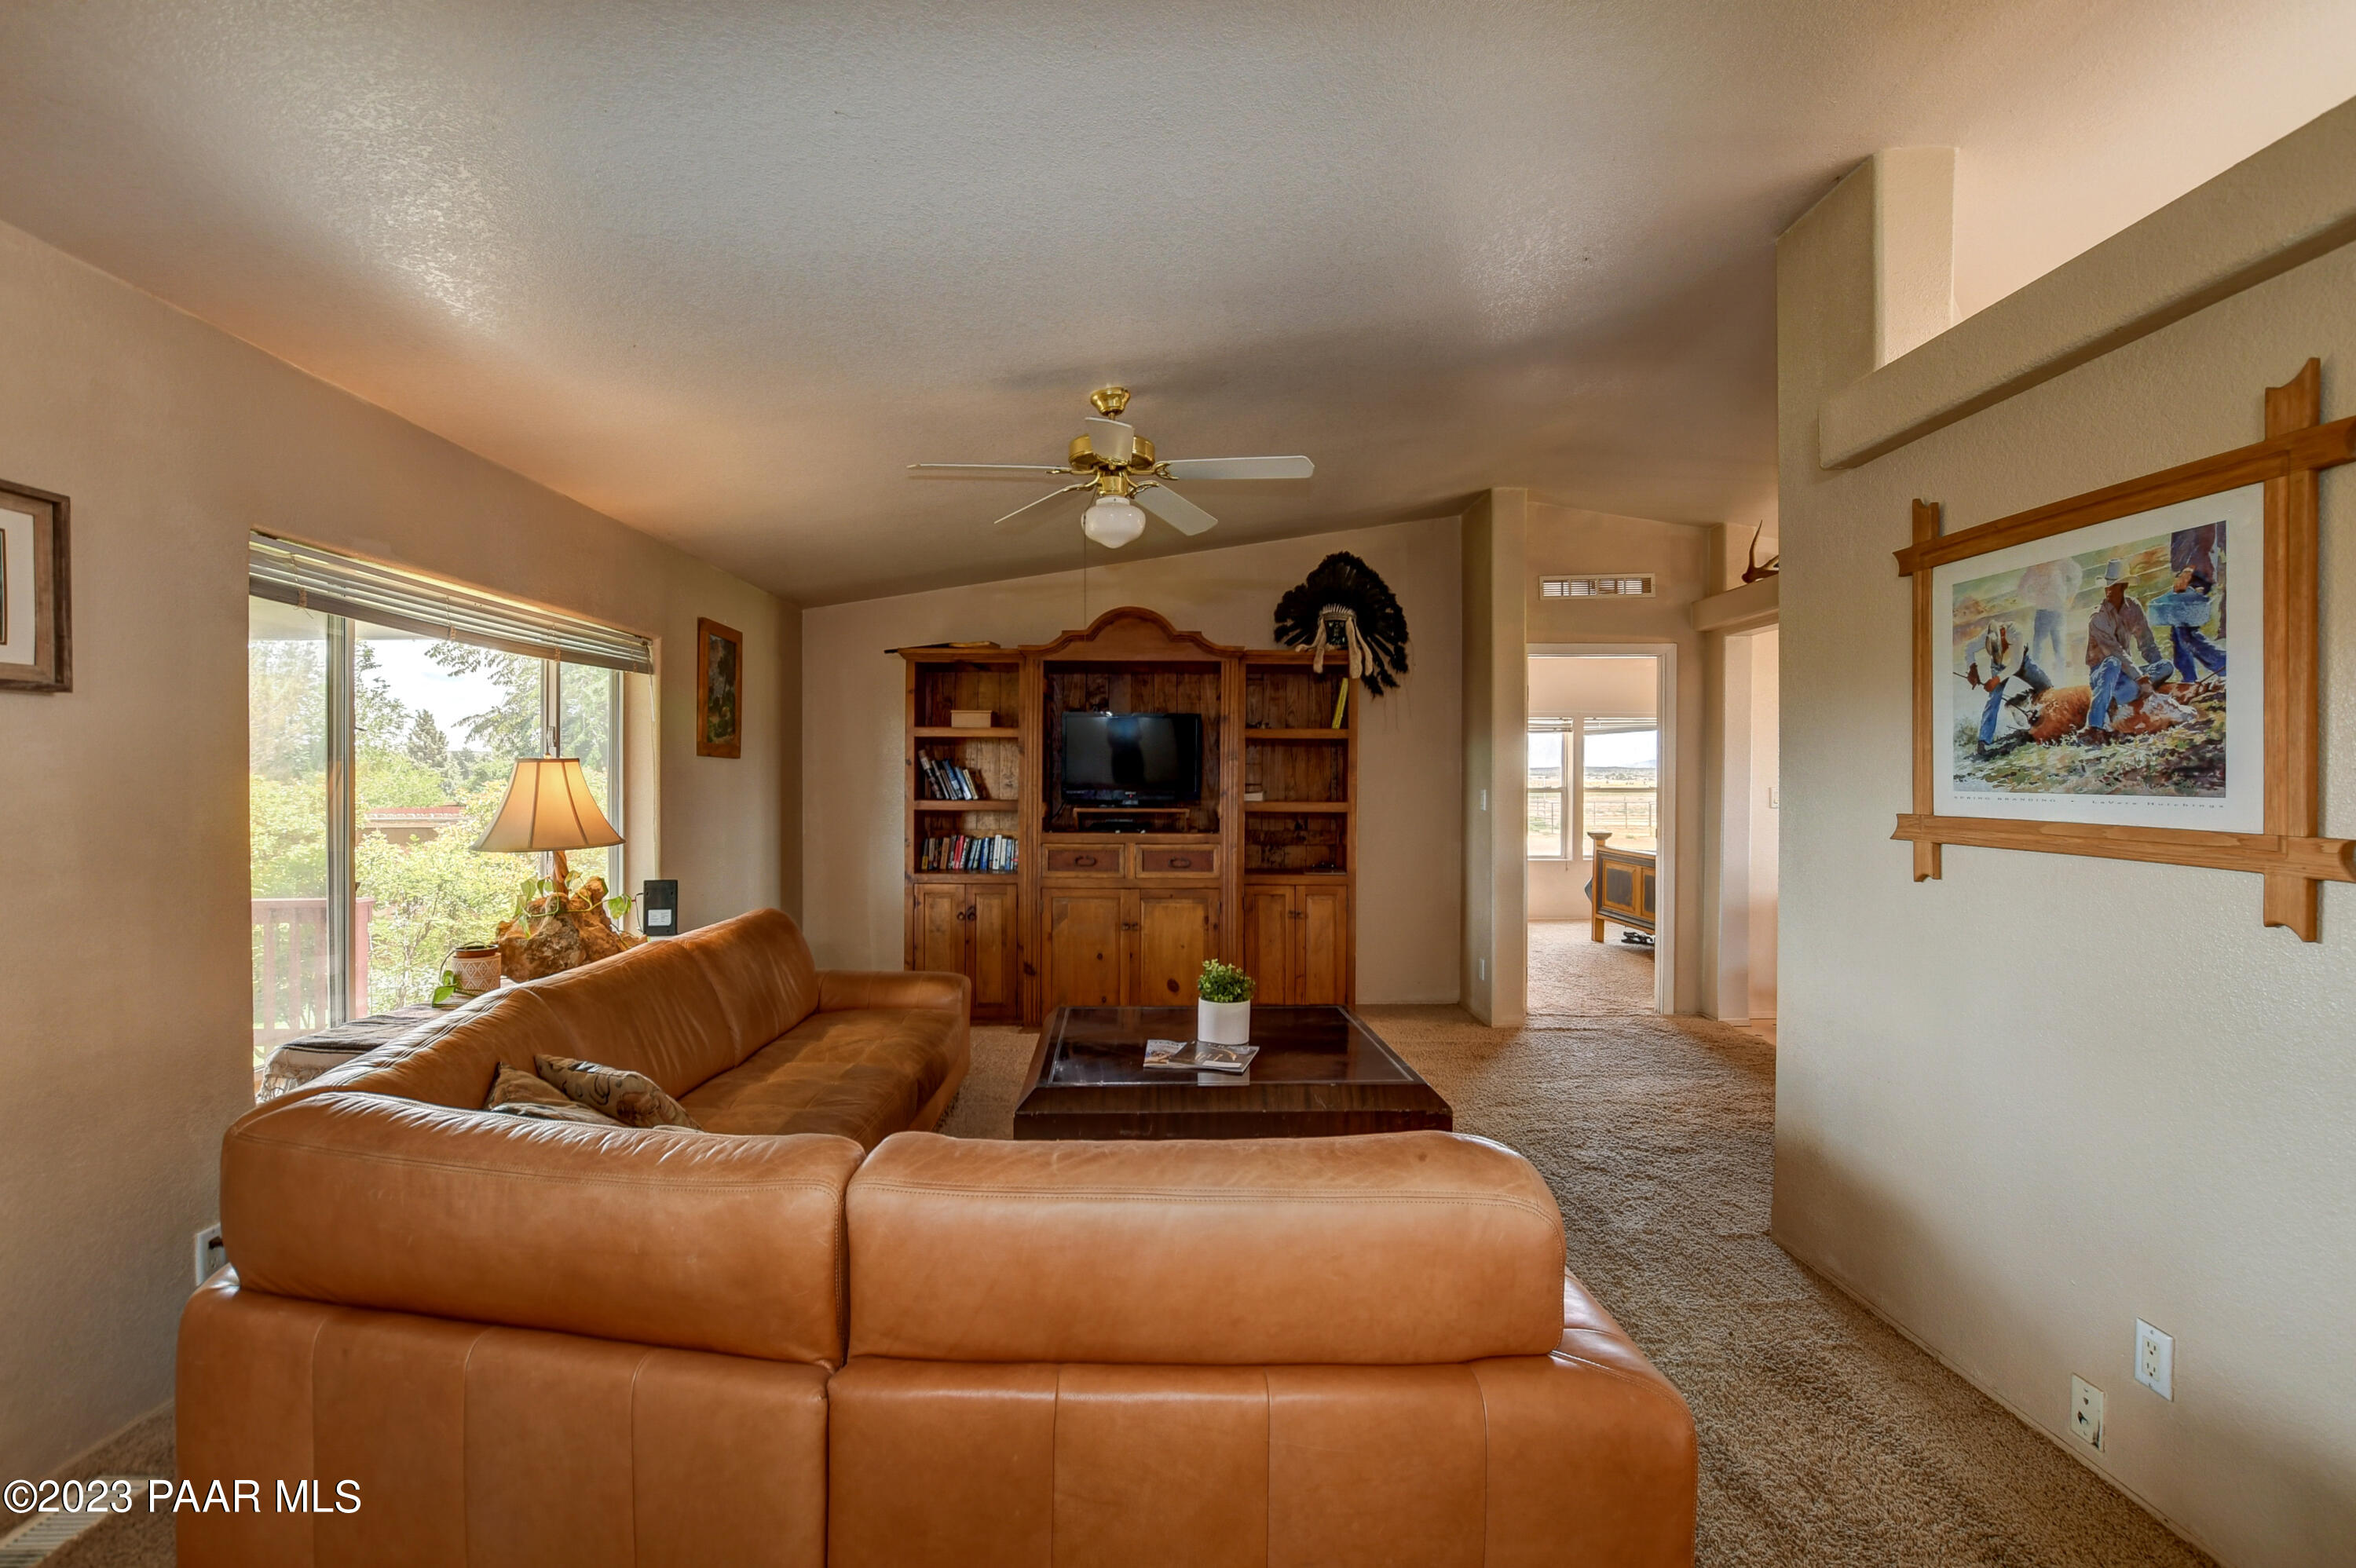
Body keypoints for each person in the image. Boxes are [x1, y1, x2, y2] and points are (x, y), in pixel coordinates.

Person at [2083, 558, 2165, 742]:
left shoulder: (2133, 608)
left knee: (2166, 666)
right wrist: (2140, 678)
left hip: (2127, 674)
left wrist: (2156, 664)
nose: (2109, 590)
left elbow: (2146, 642)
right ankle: (2094, 726)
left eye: (2115, 586)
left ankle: (2124, 695)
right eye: (2107, 586)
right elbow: (2115, 652)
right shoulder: (2098, 617)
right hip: (2103, 673)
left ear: (2124, 586)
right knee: (2113, 663)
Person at [1964, 622, 2049, 755]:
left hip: (2021, 663)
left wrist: (1995, 680)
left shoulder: (2017, 633)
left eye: (2000, 647)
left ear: (2003, 634)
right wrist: (1972, 669)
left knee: (2046, 687)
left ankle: (2030, 709)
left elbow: (2015, 665)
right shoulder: (1987, 636)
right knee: (1994, 699)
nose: (2000, 651)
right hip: (1999, 667)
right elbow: (1969, 648)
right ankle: (1984, 741)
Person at [2163, 522, 2228, 683]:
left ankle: (2225, 664)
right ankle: (2189, 679)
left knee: (2185, 632)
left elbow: (2206, 534)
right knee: (2179, 633)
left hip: (2197, 571)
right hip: (2190, 570)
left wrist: (2189, 569)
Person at [2016, 557, 2080, 671]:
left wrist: (2070, 596)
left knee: (2058, 650)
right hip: (2044, 612)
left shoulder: (2059, 562)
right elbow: (2021, 588)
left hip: (2057, 610)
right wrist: (2033, 599)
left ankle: (2060, 681)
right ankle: (2040, 681)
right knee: (2039, 650)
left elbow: (2077, 574)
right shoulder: (2033, 569)